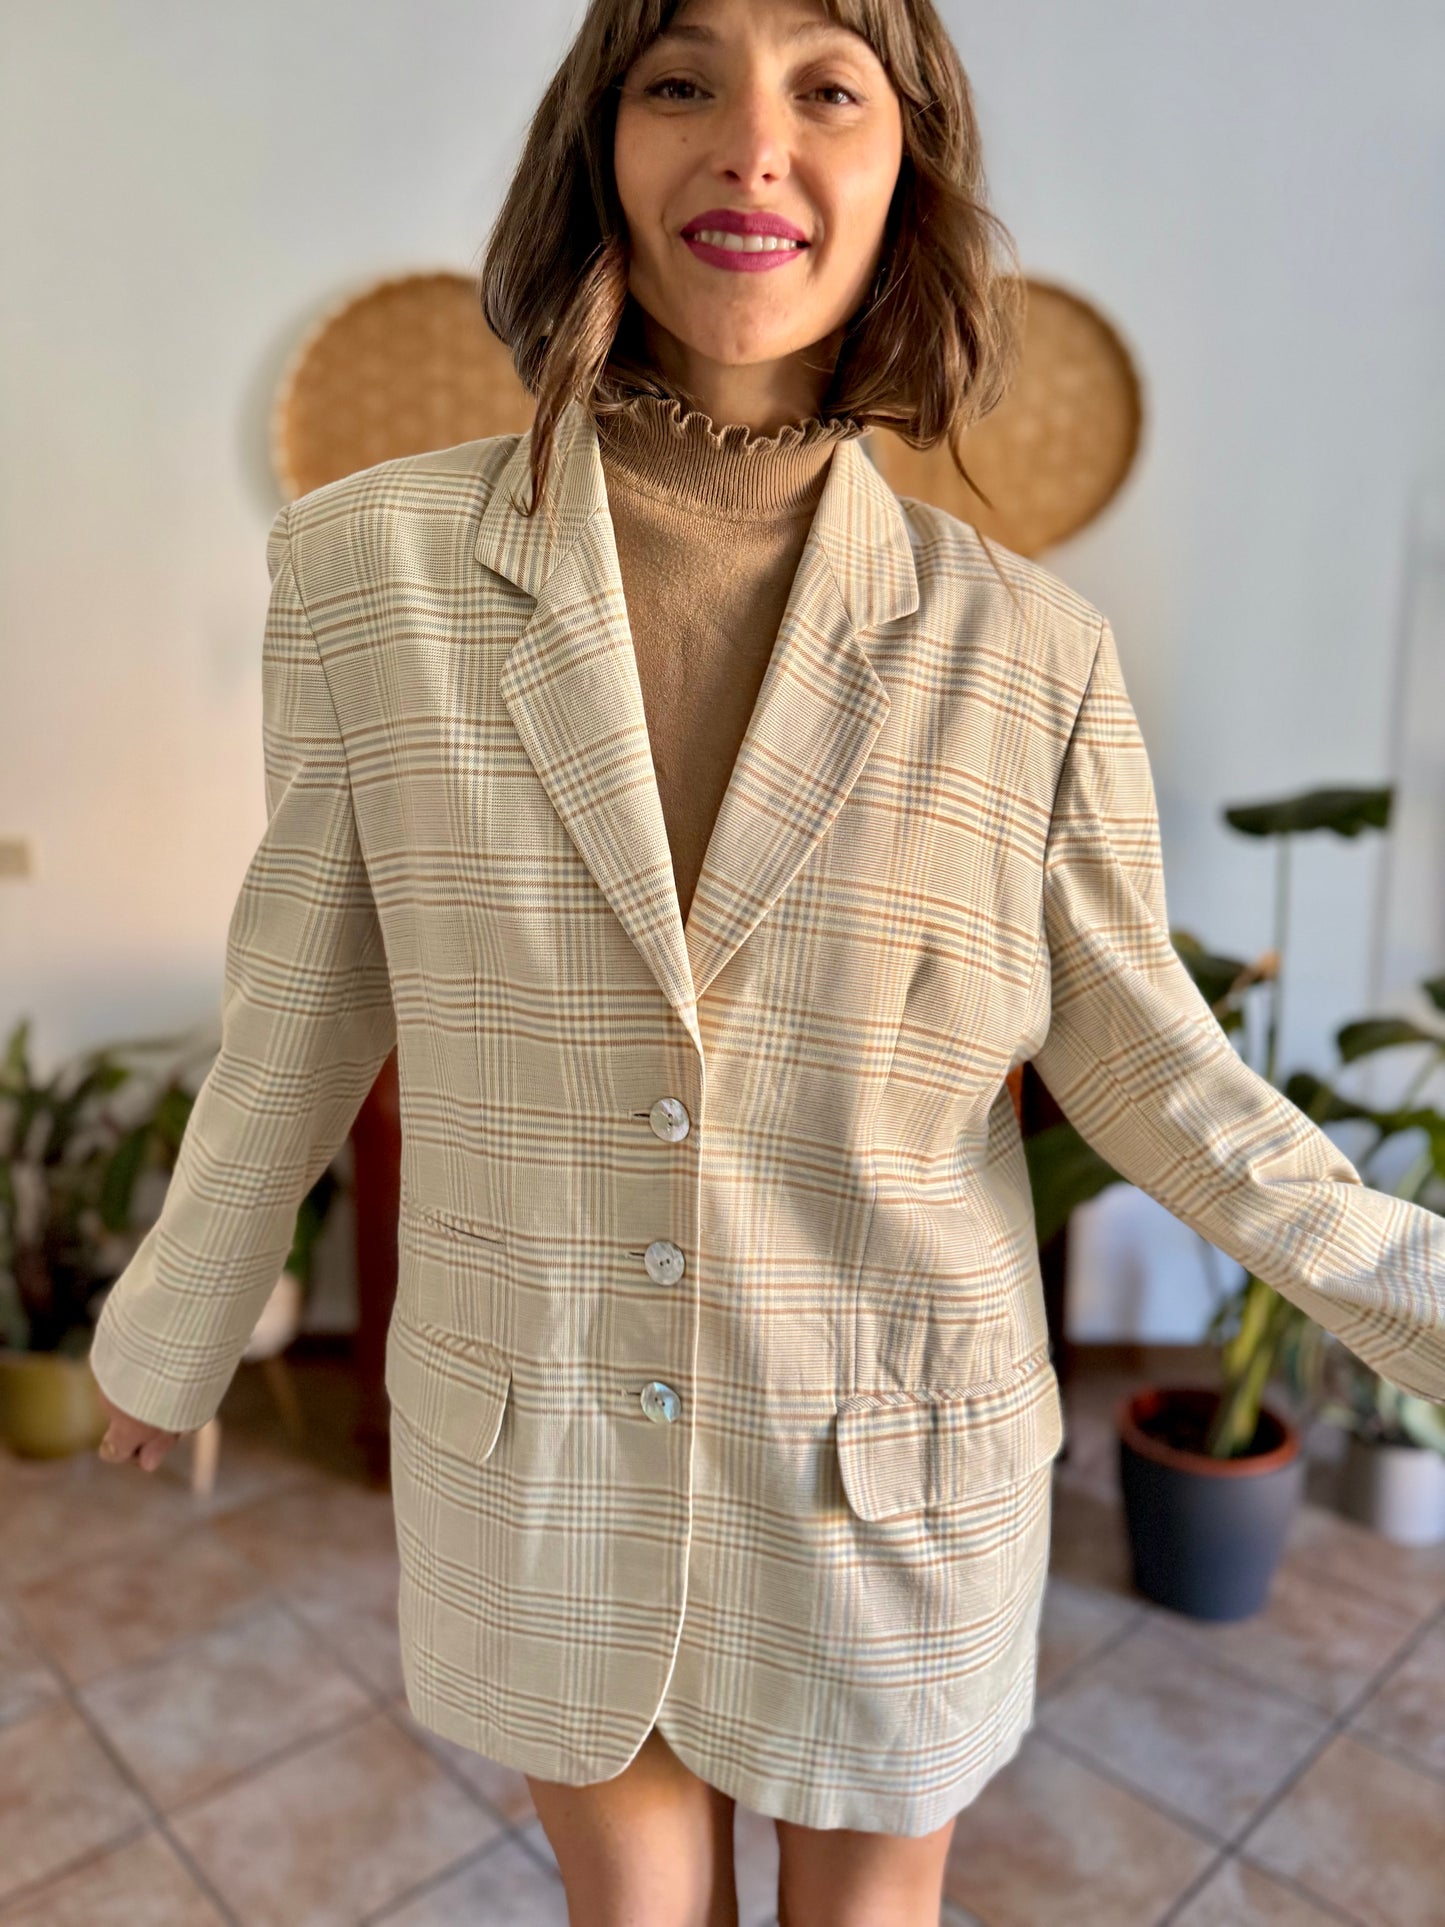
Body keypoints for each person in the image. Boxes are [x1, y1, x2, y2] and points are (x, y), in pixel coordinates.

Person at [92, 1, 1445, 1923]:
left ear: (906, 176)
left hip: (892, 1452)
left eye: (829, 88)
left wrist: (1415, 1297)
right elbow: (306, 987)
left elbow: (1157, 1073)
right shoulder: (363, 575)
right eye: (679, 81)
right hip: (545, 1436)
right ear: (599, 146)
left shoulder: (1027, 650)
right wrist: (182, 1299)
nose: (752, 143)